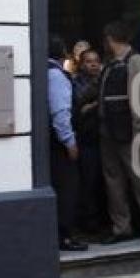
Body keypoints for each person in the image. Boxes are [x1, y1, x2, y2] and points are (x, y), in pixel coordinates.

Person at [99, 20, 140, 247]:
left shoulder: (135, 61)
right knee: (113, 182)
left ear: (110, 39)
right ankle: (122, 228)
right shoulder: (110, 64)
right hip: (109, 133)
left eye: (105, 39)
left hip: (131, 133)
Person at [48, 34, 88, 252]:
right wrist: (70, 142)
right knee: (68, 189)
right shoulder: (56, 76)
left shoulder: (44, 71)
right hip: (59, 144)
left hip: (51, 143)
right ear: (62, 52)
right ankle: (64, 236)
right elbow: (60, 112)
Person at [73, 46, 107, 233]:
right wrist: (96, 101)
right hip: (87, 141)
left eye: (96, 60)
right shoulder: (76, 82)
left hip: (106, 139)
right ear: (81, 64)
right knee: (89, 182)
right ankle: (90, 224)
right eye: (88, 61)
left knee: (105, 182)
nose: (94, 64)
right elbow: (79, 104)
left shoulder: (105, 80)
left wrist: (92, 105)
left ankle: (104, 221)